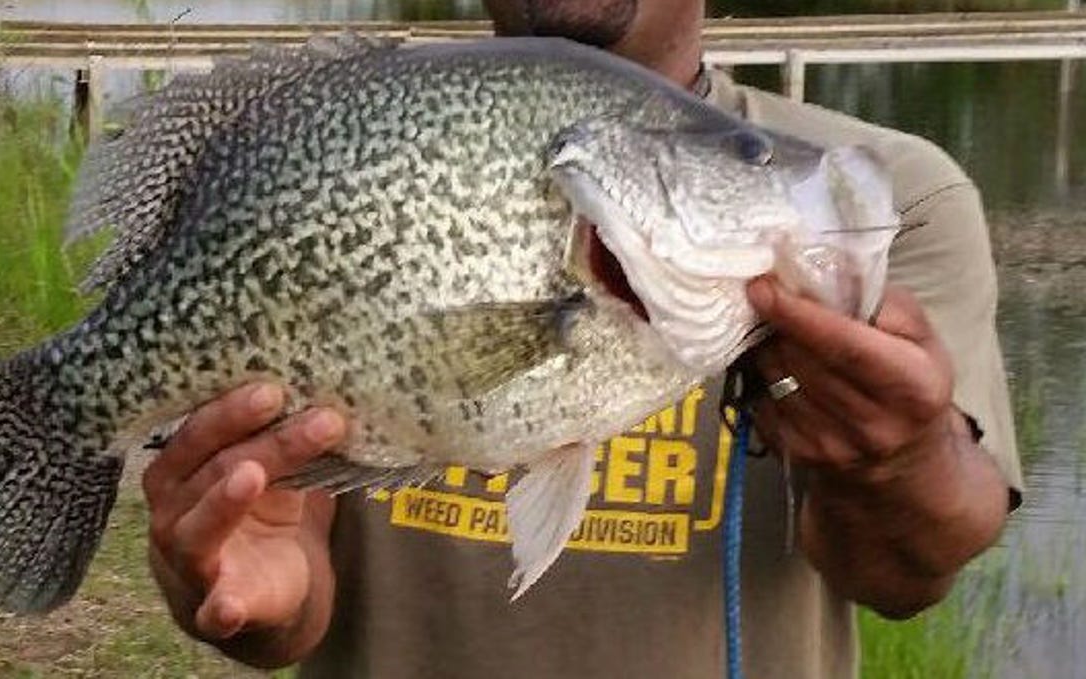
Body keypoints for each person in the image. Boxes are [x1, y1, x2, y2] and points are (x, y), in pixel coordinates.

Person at [141, 2, 1023, 676]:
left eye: (748, 159)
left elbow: (907, 575)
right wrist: (243, 593)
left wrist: (897, 463)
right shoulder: (346, 132)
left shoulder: (886, 199)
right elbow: (286, 590)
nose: (768, 174)